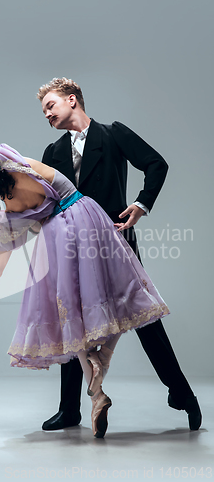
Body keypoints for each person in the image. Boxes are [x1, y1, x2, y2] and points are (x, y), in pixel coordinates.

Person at [0, 135, 169, 437]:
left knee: (72, 313)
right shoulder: (13, 163)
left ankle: (97, 390)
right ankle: (101, 368)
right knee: (114, 295)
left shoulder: (9, 217)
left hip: (59, 241)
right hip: (89, 219)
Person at [37, 77, 202, 432]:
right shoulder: (52, 153)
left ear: (72, 100)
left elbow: (156, 163)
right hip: (72, 249)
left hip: (115, 242)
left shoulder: (112, 134)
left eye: (50, 106)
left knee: (144, 319)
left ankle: (182, 394)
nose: (46, 114)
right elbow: (43, 201)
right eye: (43, 110)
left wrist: (141, 204)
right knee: (74, 321)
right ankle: (70, 410)